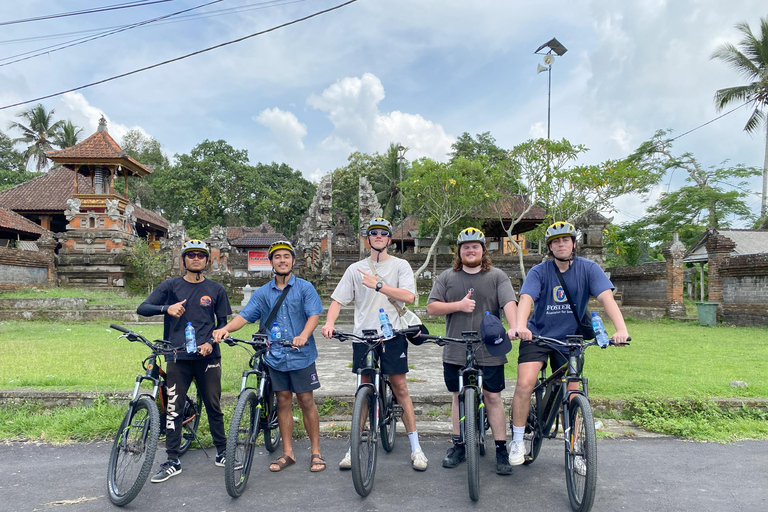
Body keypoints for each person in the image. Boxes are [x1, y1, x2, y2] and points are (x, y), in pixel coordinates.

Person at [509, 221, 629, 467]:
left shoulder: (589, 269)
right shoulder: (539, 271)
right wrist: (521, 326)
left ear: (574, 244)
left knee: (573, 392)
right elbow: (526, 298)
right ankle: (518, 440)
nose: (560, 244)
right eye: (555, 241)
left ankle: (575, 448)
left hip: (571, 340)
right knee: (525, 383)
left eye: (565, 240)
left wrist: (621, 330)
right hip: (539, 336)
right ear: (550, 247)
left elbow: (607, 298)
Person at [321, 218, 428, 471]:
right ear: (367, 239)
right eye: (373, 233)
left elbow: (410, 297)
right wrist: (329, 323)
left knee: (400, 387)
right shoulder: (355, 269)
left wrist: (379, 285)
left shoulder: (400, 266)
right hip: (364, 336)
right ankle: (353, 447)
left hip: (393, 335)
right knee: (363, 390)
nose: (378, 236)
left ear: (389, 239)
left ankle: (416, 447)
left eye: (383, 233)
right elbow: (337, 300)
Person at [212, 240, 325, 472]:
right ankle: (288, 453)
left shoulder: (305, 288)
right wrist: (226, 329)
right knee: (282, 401)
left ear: (293, 261)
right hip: (274, 356)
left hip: (301, 355)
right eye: (277, 257)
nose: (282, 260)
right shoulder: (263, 292)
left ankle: (316, 452)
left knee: (306, 401)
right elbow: (245, 316)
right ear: (271, 262)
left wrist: (303, 335)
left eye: (286, 256)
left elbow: (314, 315)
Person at [137, 239, 232, 483]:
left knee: (213, 404)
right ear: (184, 260)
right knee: (173, 407)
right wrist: (166, 308)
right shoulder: (171, 286)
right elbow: (143, 308)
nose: (196, 259)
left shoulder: (216, 289)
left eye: (201, 256)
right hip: (177, 356)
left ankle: (223, 452)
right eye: (191, 256)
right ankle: (172, 459)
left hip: (208, 356)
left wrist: (212, 342)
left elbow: (223, 323)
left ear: (207, 261)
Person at [426, 227, 518, 476]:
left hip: (489, 346)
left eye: (475, 246)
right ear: (459, 251)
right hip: (456, 346)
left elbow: (509, 303)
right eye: (465, 247)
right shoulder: (447, 277)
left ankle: (501, 449)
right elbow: (432, 308)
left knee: (493, 397)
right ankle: (458, 444)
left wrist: (516, 325)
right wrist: (459, 305)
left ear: (483, 250)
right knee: (457, 396)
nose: (470, 250)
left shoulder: (497, 276)